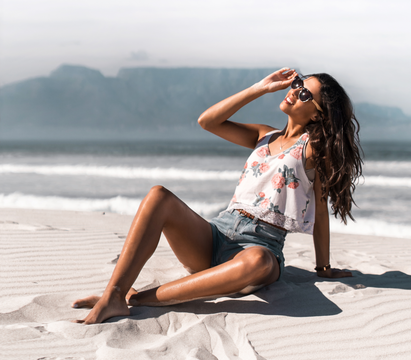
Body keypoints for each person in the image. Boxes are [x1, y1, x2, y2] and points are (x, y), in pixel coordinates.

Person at [72, 68, 363, 324]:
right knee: (158, 195)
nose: (295, 92)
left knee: (259, 261)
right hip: (214, 236)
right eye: (298, 85)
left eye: (305, 95)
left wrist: (322, 267)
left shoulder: (313, 148)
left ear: (317, 115)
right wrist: (260, 88)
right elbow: (207, 121)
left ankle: (136, 299)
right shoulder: (266, 135)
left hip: (258, 248)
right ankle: (115, 293)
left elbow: (321, 210)